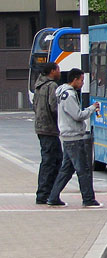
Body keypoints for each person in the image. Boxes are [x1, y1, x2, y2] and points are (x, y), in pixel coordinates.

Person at [47, 68, 102, 207]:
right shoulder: (69, 95)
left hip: (68, 136)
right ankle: (88, 199)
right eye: (81, 80)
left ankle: (53, 197)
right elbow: (77, 115)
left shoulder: (62, 93)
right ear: (75, 79)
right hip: (73, 137)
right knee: (83, 169)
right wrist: (91, 109)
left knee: (66, 169)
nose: (82, 83)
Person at [34, 62, 62, 205]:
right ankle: (45, 194)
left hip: (41, 127)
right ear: (52, 71)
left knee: (51, 160)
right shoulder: (52, 86)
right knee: (52, 161)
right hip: (49, 128)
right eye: (58, 69)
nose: (59, 72)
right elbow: (54, 107)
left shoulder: (38, 85)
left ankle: (47, 193)